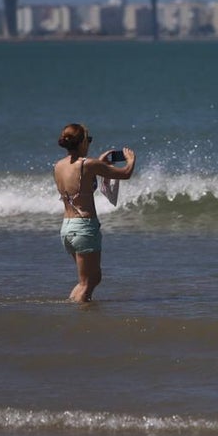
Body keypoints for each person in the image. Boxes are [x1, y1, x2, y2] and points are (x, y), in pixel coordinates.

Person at [53, 123, 136, 302]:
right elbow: (126, 173)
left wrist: (101, 163)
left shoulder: (58, 166)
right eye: (88, 139)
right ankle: (82, 317)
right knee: (87, 281)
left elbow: (82, 187)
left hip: (67, 228)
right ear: (82, 142)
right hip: (84, 227)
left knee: (90, 279)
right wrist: (130, 160)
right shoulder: (88, 165)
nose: (89, 143)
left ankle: (72, 306)